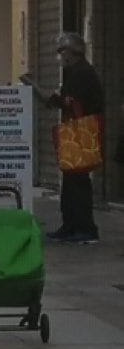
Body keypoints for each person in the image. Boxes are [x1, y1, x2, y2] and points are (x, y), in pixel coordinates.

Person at [45, 32, 104, 243]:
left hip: (82, 132)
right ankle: (70, 225)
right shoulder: (75, 72)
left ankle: (84, 228)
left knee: (78, 180)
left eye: (62, 51)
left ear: (72, 53)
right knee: (70, 180)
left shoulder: (82, 73)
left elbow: (74, 103)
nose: (59, 56)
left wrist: (56, 99)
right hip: (75, 131)